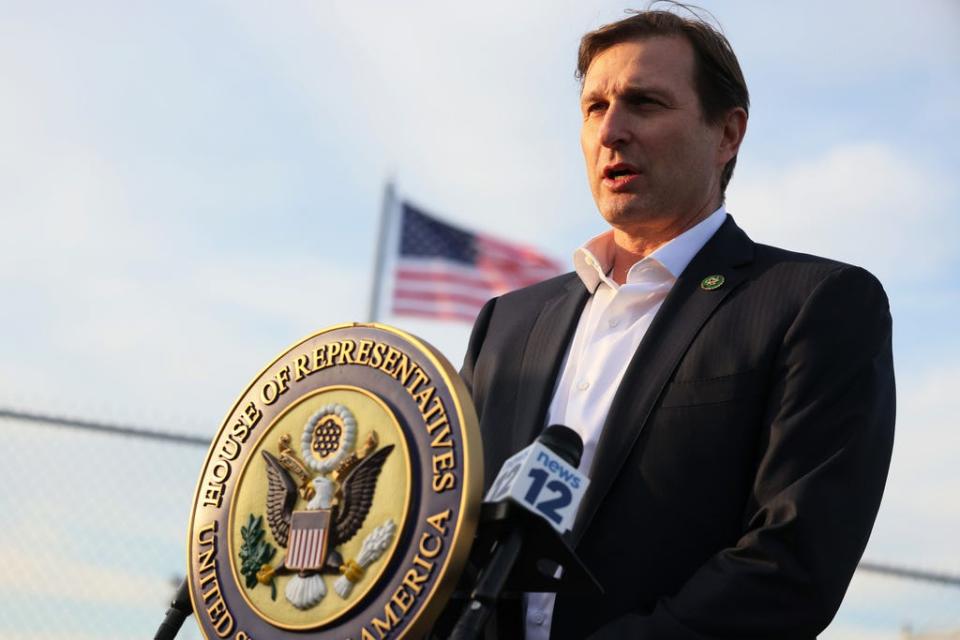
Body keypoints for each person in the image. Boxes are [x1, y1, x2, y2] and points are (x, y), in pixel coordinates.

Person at [459, 8, 895, 640]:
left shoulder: (818, 305)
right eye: (594, 107)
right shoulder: (506, 323)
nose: (612, 130)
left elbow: (789, 565)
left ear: (727, 134)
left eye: (644, 103)